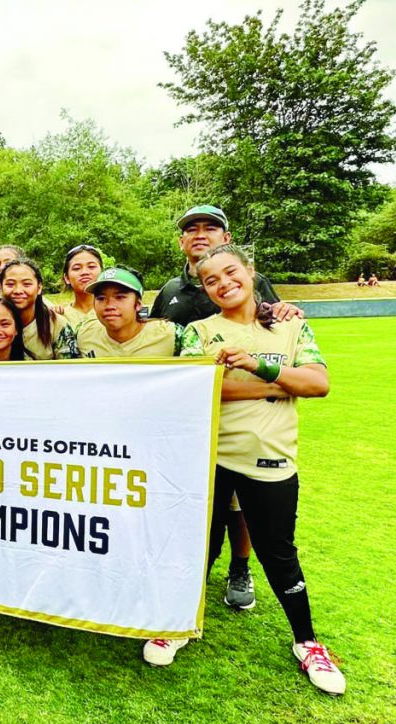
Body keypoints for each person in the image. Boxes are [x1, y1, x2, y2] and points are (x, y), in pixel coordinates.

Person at [144, 244, 346, 697]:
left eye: (230, 273)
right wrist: (272, 387)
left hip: (269, 457)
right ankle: (176, 624)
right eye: (211, 279)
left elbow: (317, 383)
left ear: (250, 272)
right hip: (207, 458)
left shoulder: (291, 323)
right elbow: (195, 391)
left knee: (278, 553)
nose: (223, 284)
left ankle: (308, 642)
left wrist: (256, 366)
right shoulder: (198, 331)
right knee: (199, 547)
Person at [149, 205, 303, 610]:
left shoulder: (256, 282)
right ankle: (183, 596)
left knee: (243, 508)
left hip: (251, 432)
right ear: (181, 241)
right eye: (191, 230)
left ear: (228, 239)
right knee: (202, 513)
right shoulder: (169, 290)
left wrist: (286, 318)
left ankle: (240, 567)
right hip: (195, 421)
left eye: (210, 228)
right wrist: (265, 389)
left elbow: (278, 328)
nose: (200, 234)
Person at [78, 266, 182, 358]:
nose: (109, 305)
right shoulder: (84, 334)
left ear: (138, 304)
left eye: (119, 297)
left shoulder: (171, 336)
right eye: (101, 298)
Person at [0, 258, 79, 360]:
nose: (18, 290)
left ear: (39, 288)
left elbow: (71, 368)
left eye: (27, 284)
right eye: (10, 284)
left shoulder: (56, 324)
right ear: (1, 288)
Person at [61, 245, 105, 328]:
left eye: (91, 266)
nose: (85, 272)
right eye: (77, 268)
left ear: (102, 272)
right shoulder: (59, 317)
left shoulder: (113, 311)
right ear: (67, 278)